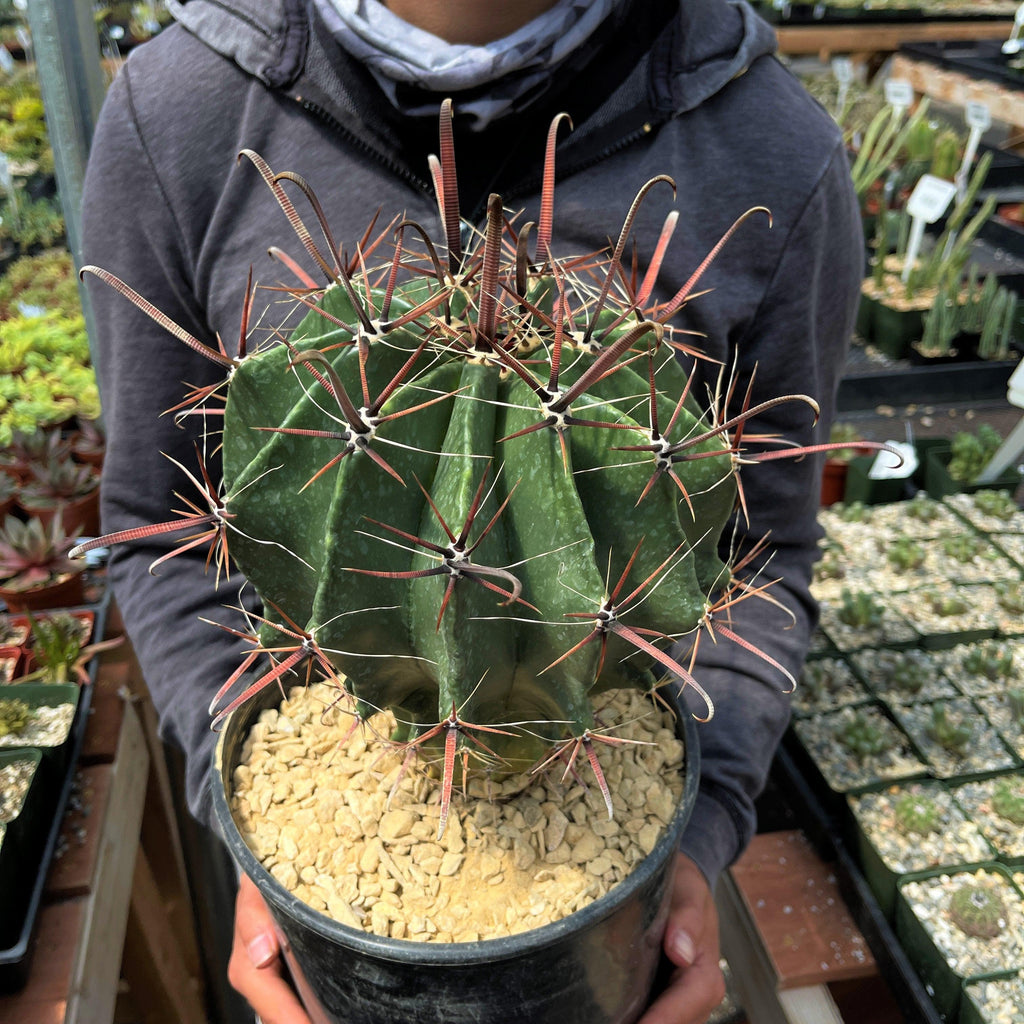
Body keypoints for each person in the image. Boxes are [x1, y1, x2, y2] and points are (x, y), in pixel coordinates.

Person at [81, 0, 863, 1021]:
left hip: (598, 867)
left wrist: (702, 822)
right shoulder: (177, 111)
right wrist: (262, 834)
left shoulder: (772, 148)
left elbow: (756, 560)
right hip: (335, 842)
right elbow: (160, 527)